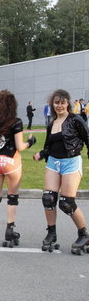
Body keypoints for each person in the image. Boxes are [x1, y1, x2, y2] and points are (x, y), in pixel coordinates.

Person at [33, 89, 89, 255]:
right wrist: (41, 154)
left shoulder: (76, 120)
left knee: (66, 202)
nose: (59, 106)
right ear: (53, 104)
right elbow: (48, 147)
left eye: (62, 102)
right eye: (56, 103)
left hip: (71, 162)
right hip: (53, 163)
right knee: (48, 198)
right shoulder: (51, 123)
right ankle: (51, 233)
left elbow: (87, 139)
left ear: (68, 103)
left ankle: (84, 234)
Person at [0, 90, 36, 248]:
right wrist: (31, 142)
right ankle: (10, 232)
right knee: (12, 197)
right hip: (10, 162)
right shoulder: (16, 121)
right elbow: (19, 146)